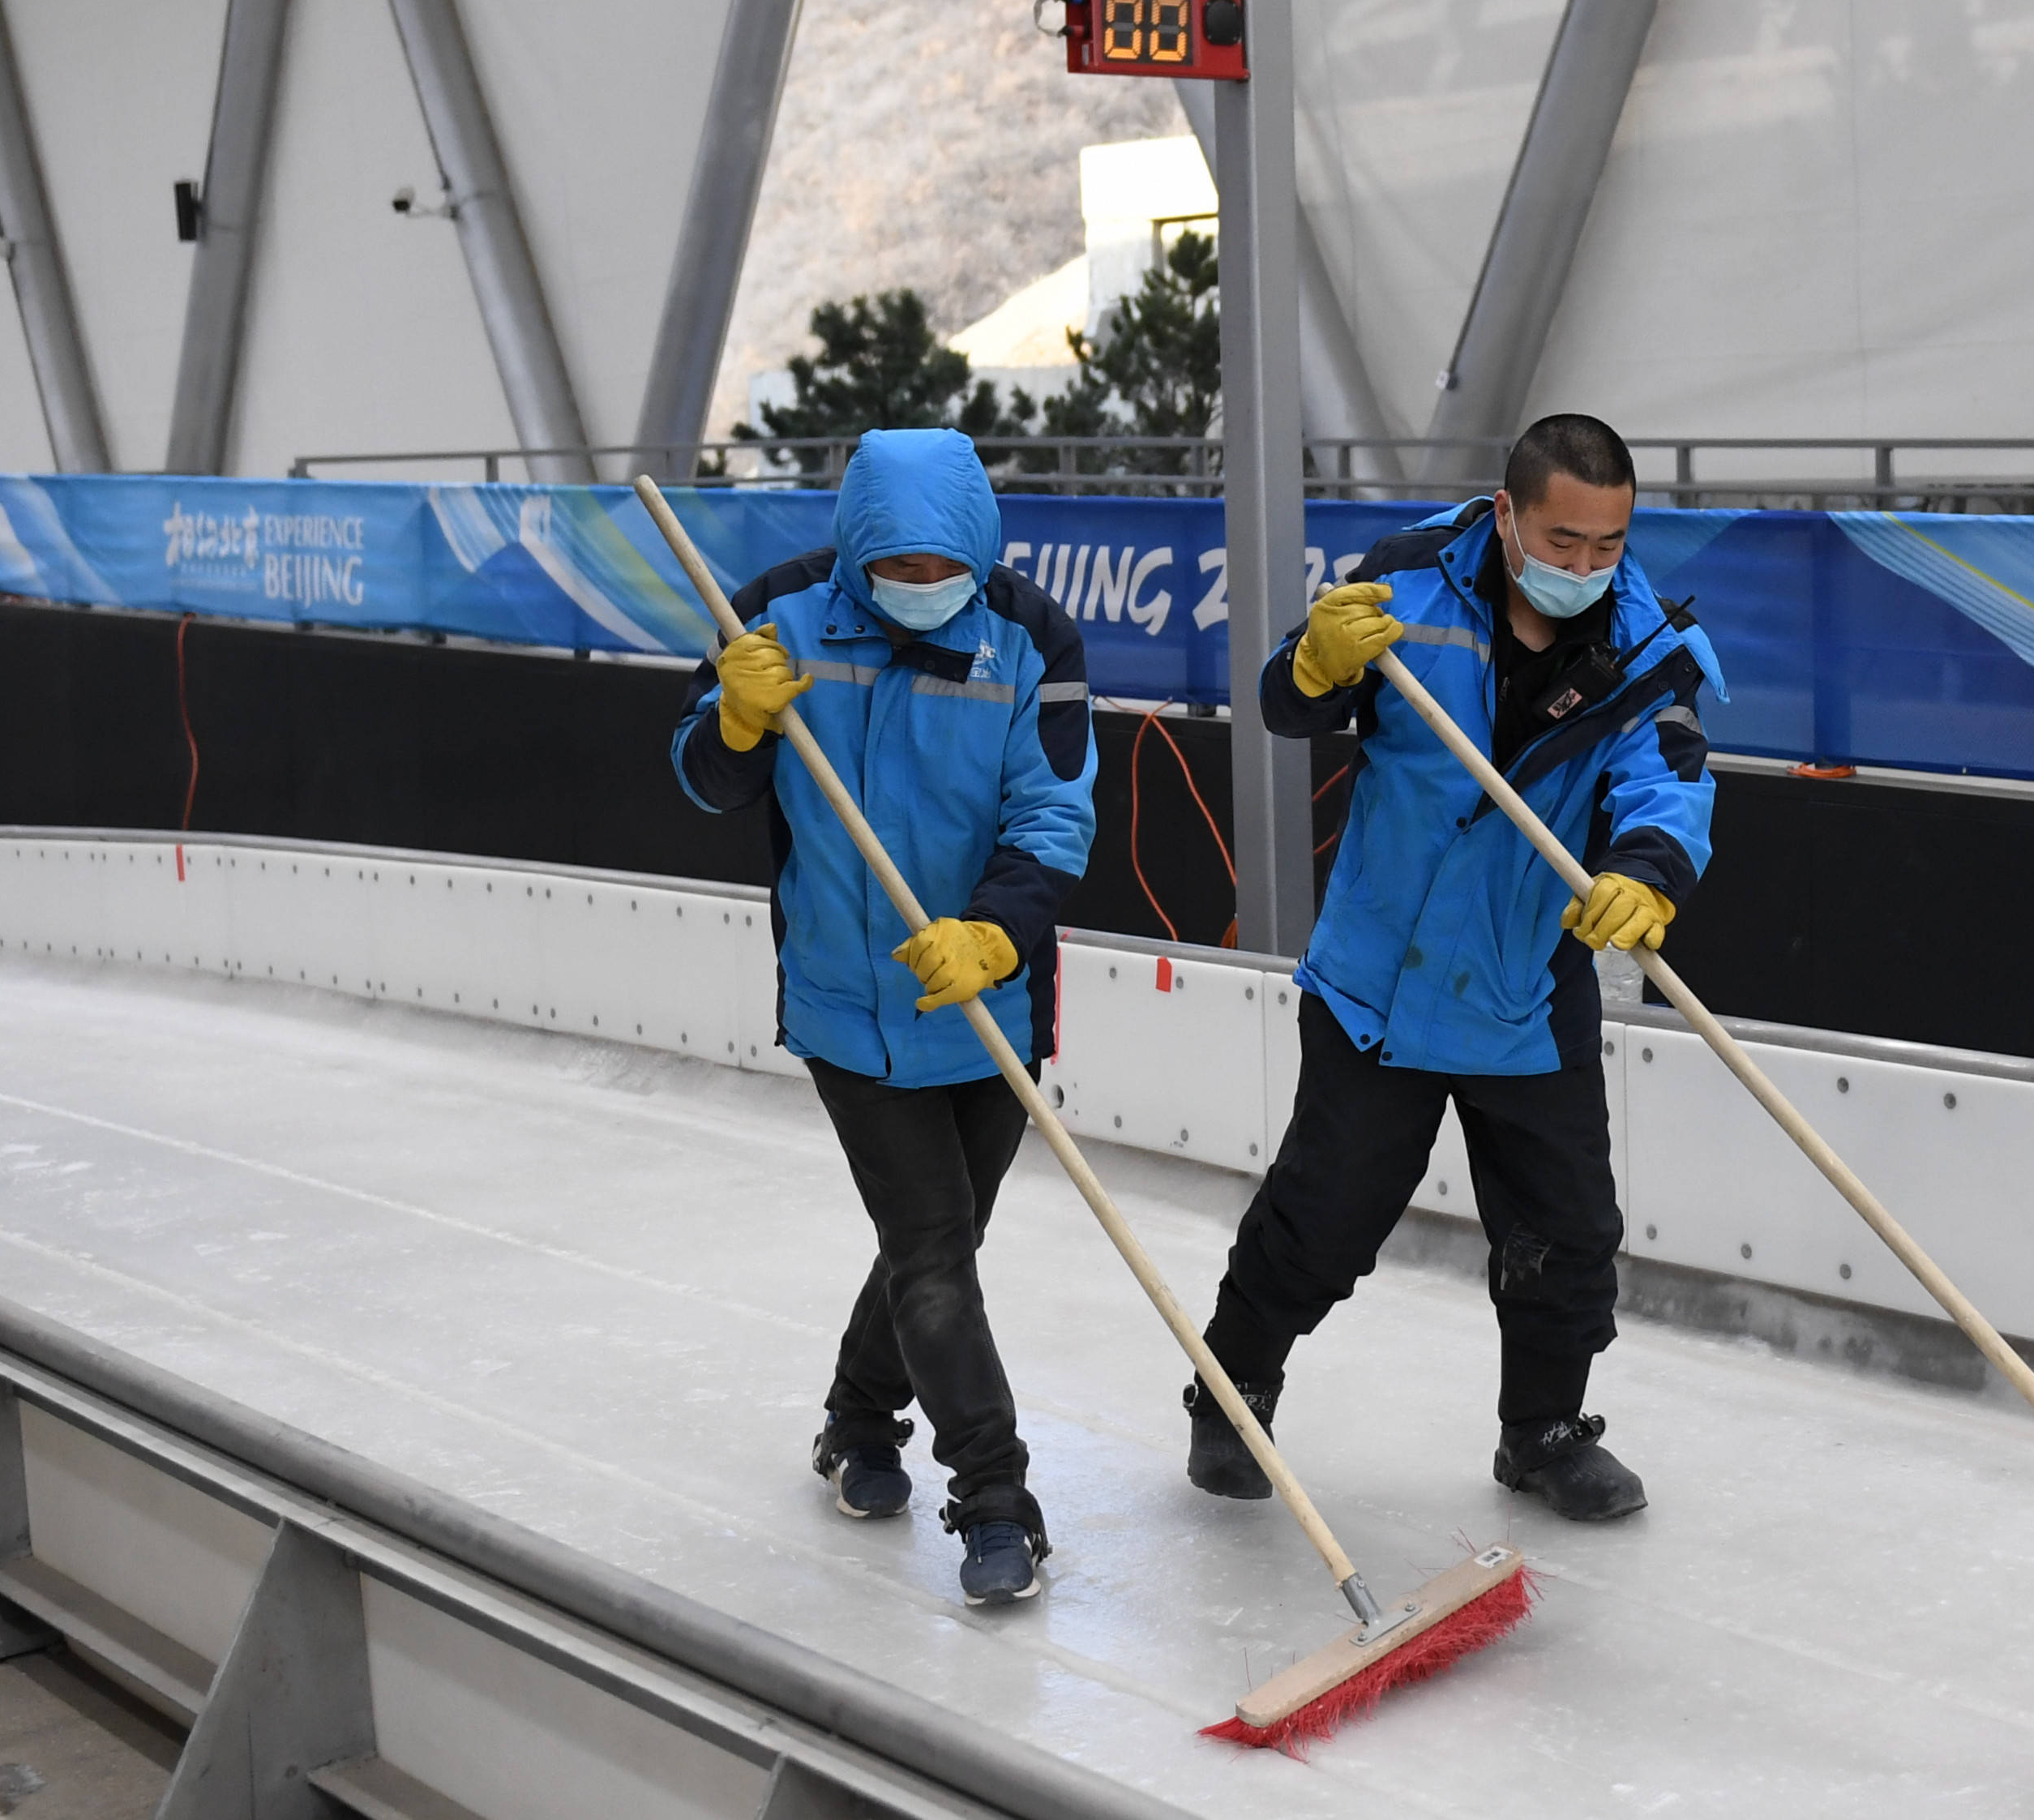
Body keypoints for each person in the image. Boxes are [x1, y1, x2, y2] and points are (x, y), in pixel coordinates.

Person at [1184, 414, 1720, 1522]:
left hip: (1523, 978)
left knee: (1568, 1228)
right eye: (1563, 540)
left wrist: (1648, 869)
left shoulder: (1647, 646)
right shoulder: (1410, 582)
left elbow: (1668, 776)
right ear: (1510, 513)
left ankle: (1544, 1429)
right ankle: (1232, 1388)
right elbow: (1295, 701)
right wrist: (1315, 663)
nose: (1585, 567)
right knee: (1326, 1215)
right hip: (1379, 973)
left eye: (1608, 545)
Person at [670, 428, 1094, 1608]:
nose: (919, 588)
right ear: (857, 550)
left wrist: (999, 930)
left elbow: (1054, 813)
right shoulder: (779, 615)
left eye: (939, 567)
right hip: (850, 1006)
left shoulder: (1031, 638)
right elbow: (706, 778)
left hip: (988, 998)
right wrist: (736, 721)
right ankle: (995, 1495)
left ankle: (858, 1416)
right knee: (933, 1252)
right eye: (895, 568)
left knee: (940, 1239)